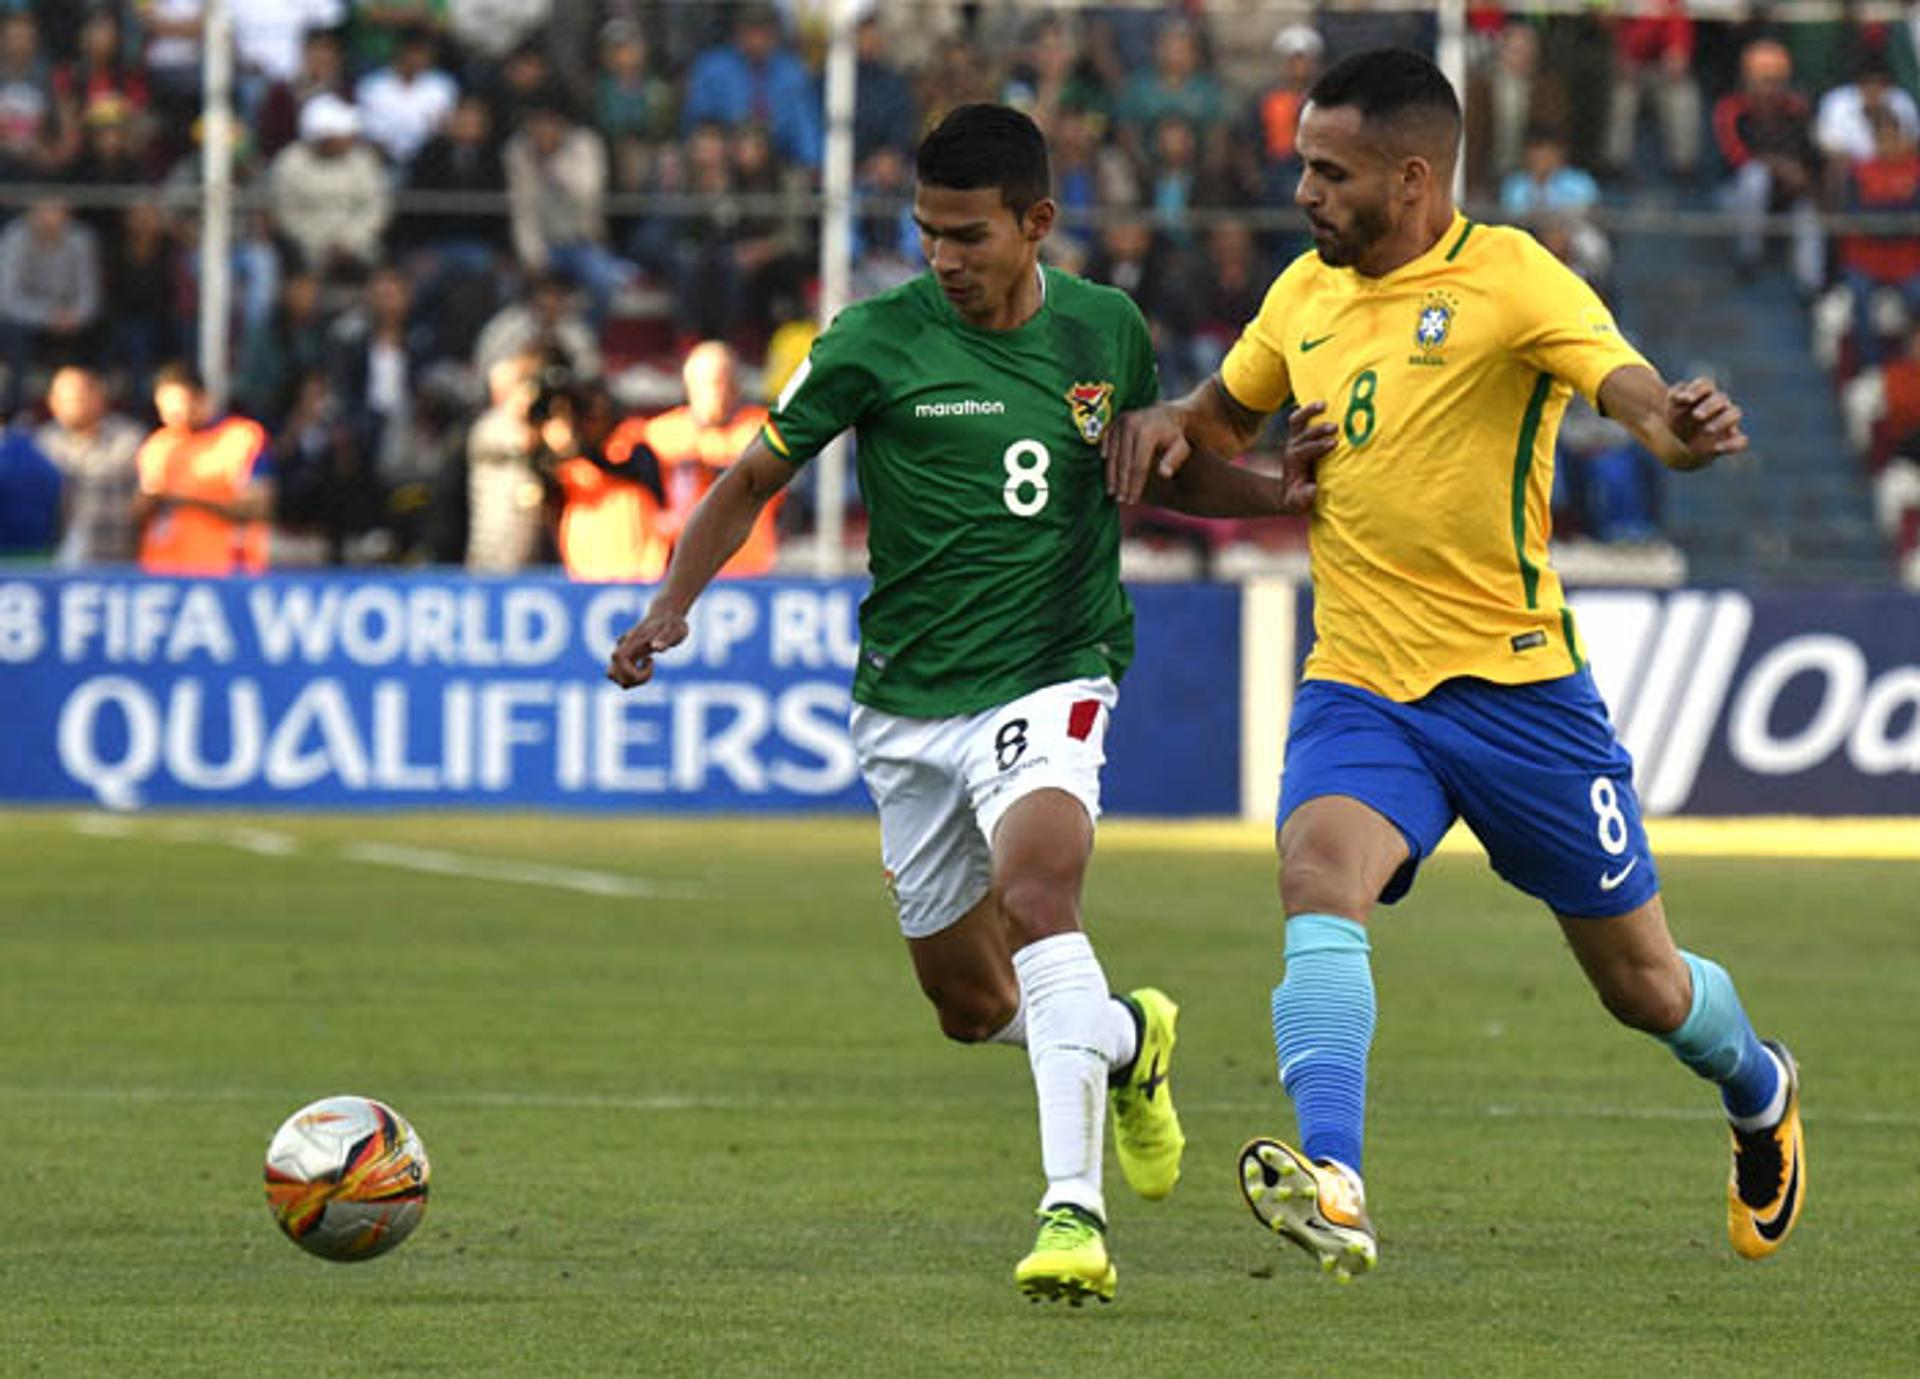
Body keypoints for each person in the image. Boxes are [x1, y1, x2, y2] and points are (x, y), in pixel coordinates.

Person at [1103, 48, 1804, 1282]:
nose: (1304, 190)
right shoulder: (1303, 298)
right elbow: (1216, 429)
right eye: (1304, 164)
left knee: (1644, 985)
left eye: (1331, 171)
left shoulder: (1512, 278)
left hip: (1524, 698)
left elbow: (1631, 396)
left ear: (1413, 178)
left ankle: (1759, 1083)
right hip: (1363, 683)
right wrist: (1172, 431)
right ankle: (1337, 1179)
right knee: (1319, 872)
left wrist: (1680, 434)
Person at [609, 103, 1318, 1306]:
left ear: (1037, 224)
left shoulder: (1106, 329)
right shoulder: (873, 340)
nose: (944, 257)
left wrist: (1269, 492)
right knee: (969, 1002)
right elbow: (751, 478)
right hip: (908, 702)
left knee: (1042, 891)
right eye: (928, 232)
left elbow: (1163, 466)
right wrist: (672, 601)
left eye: (968, 235)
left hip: (1056, 665)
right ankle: (1128, 1039)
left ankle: (1071, 1214)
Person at [639, 341, 778, 576]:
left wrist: (704, 464)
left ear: (736, 385)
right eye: (704, 383)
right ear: (688, 385)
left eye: (721, 382)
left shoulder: (760, 428)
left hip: (744, 565)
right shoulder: (659, 433)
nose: (716, 392)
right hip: (679, 566)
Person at [134, 362, 276, 575]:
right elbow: (139, 510)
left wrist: (188, 500)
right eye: (165, 407)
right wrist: (148, 502)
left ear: (202, 398)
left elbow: (258, 506)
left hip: (225, 572)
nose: (173, 414)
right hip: (162, 572)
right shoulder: (157, 445)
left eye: (180, 404)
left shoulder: (242, 438)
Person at [37, 364, 146, 566]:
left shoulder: (129, 439)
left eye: (79, 397)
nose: (72, 404)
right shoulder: (41, 444)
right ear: (52, 402)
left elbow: (145, 501)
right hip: (54, 567)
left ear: (99, 398)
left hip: (117, 564)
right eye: (64, 398)